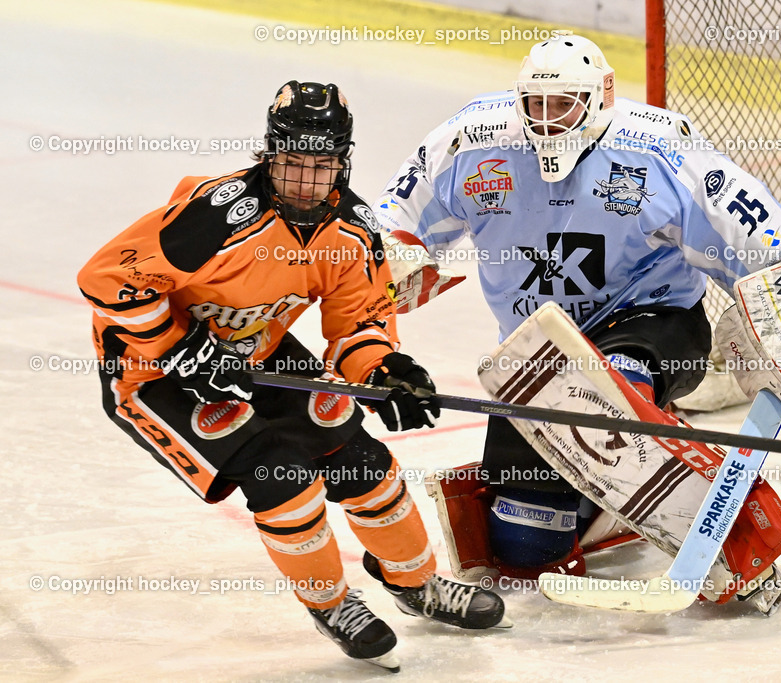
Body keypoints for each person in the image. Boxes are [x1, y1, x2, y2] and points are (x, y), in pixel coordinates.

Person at [373, 32, 781, 616]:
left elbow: (751, 227)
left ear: (602, 96)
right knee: (526, 547)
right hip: (539, 357)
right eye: (537, 105)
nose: (549, 121)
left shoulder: (657, 147)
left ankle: (731, 537)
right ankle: (614, 502)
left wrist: (779, 314)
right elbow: (394, 219)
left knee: (606, 391)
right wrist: (396, 262)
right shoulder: (473, 141)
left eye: (565, 105)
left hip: (654, 324)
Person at [78, 81, 509, 673]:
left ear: (343, 159)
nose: (306, 181)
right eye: (293, 163)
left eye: (322, 165)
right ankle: (332, 605)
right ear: (270, 154)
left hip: (257, 350)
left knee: (363, 463)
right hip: (153, 373)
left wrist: (385, 369)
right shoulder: (215, 217)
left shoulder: (352, 229)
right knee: (281, 475)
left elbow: (357, 322)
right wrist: (181, 349)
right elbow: (106, 278)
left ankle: (416, 583)